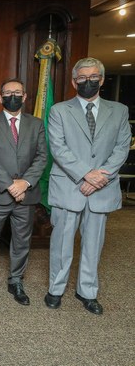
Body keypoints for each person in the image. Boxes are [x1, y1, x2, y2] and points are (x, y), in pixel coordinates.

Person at [45, 57, 131, 315]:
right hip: (69, 186)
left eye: (93, 77)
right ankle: (56, 289)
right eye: (82, 78)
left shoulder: (119, 111)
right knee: (61, 243)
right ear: (74, 82)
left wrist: (99, 177)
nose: (88, 82)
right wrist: (85, 175)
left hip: (102, 187)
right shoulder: (59, 110)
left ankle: (87, 291)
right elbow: (58, 148)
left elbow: (122, 147)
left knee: (94, 244)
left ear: (101, 80)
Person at [0, 78, 47, 305]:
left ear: (24, 96)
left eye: (17, 92)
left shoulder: (36, 124)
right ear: (0, 98)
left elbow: (42, 157)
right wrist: (11, 186)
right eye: (8, 93)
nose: (13, 96)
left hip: (26, 194)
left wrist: (24, 183)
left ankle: (16, 280)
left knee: (22, 240)